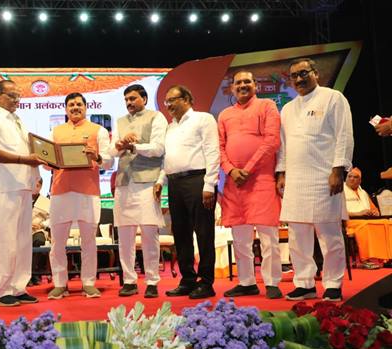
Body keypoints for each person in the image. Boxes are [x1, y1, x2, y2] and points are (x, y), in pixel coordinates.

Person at [276, 57, 354, 302]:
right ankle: (304, 283)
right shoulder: (288, 108)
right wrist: (282, 173)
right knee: (297, 237)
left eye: (303, 73)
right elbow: (284, 145)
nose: (299, 79)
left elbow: (344, 135)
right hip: (296, 180)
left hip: (324, 176)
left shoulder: (333, 98)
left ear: (315, 73)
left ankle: (333, 283)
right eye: (294, 76)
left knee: (329, 235)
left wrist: (338, 170)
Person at [218, 71, 283, 299]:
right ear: (232, 88)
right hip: (234, 183)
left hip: (261, 179)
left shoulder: (267, 106)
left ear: (255, 85)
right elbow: (219, 147)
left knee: (268, 236)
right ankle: (246, 282)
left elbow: (272, 141)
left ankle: (272, 282)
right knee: (240, 238)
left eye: (247, 81)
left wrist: (248, 168)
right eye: (238, 82)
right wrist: (231, 170)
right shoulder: (225, 114)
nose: (243, 85)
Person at [0, 80, 46, 307]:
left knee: (22, 241)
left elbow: (30, 152)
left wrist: (36, 174)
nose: (17, 99)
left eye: (18, 95)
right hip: (3, 187)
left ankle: (19, 287)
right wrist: (25, 160)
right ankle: (3, 290)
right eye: (11, 95)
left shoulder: (18, 120)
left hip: (23, 186)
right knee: (5, 240)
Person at [155, 85, 220, 299]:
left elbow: (212, 151)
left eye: (172, 100)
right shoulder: (170, 127)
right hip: (174, 183)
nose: (169, 105)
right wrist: (161, 180)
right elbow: (167, 159)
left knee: (204, 233)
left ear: (186, 99)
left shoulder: (203, 119)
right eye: (166, 102)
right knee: (181, 233)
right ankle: (188, 280)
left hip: (198, 181)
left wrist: (209, 184)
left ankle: (206, 282)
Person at [47, 93, 112, 300]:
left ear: (86, 107)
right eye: (71, 105)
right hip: (60, 191)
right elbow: (47, 163)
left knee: (89, 241)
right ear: (66, 109)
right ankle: (59, 284)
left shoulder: (99, 130)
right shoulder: (55, 132)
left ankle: (89, 283)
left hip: (88, 192)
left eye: (78, 104)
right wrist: (47, 159)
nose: (75, 107)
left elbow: (109, 161)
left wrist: (97, 156)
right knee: (57, 242)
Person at [109, 84, 167, 298]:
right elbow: (112, 151)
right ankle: (129, 280)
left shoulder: (156, 117)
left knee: (150, 235)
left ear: (144, 98)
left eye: (133, 98)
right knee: (125, 236)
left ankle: (152, 281)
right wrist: (120, 145)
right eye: (126, 100)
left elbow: (159, 148)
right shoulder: (120, 121)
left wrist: (135, 147)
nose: (129, 103)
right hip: (124, 182)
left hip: (147, 182)